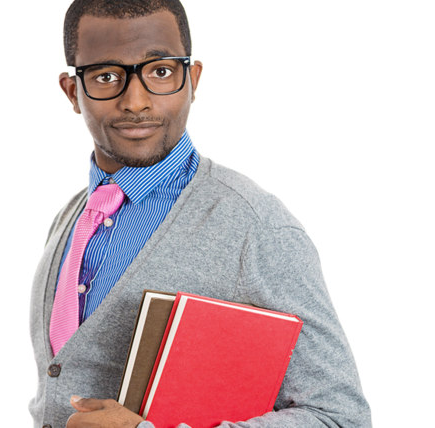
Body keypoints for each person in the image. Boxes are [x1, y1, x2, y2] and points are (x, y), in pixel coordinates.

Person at [28, 1, 372, 427]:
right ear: (71, 92)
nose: (135, 102)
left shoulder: (255, 226)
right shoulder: (70, 217)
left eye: (160, 71)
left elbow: (340, 418)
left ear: (191, 80)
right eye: (106, 76)